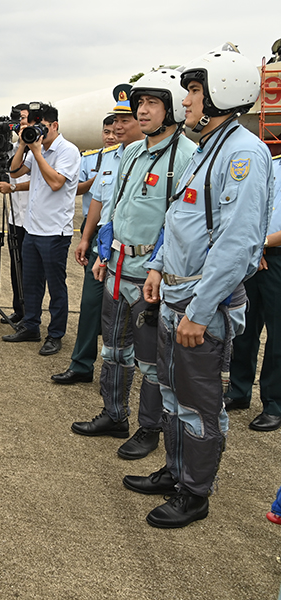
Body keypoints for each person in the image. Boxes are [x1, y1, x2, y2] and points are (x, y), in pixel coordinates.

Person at [124, 48, 273, 528]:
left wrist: (201, 311)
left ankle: (194, 493)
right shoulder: (209, 147)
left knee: (199, 405)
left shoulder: (242, 154)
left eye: (192, 90)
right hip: (174, 295)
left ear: (223, 92)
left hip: (201, 305)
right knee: (172, 394)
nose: (186, 101)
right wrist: (157, 269)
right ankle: (174, 469)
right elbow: (182, 220)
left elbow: (237, 247)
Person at [71, 71, 197, 462]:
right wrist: (104, 255)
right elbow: (115, 207)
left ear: (171, 108)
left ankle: (149, 428)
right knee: (113, 350)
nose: (141, 111)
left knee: (151, 362)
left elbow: (179, 222)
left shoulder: (186, 156)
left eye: (151, 104)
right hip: (117, 267)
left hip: (150, 277)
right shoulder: (129, 152)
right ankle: (113, 414)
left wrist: (158, 268)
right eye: (139, 104)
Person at [51, 112, 128, 385]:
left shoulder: (155, 157)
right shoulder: (105, 157)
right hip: (101, 239)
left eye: (124, 121)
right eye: (114, 123)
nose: (116, 128)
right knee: (91, 303)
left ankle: (122, 371)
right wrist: (85, 238)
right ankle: (82, 364)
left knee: (130, 310)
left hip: (135, 245)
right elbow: (97, 200)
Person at [1, 103, 80, 355]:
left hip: (54, 231)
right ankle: (31, 326)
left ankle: (55, 334)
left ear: (54, 125)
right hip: (32, 228)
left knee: (56, 287)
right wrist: (24, 144)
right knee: (31, 283)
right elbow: (13, 172)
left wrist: (36, 152)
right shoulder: (38, 149)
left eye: (42, 128)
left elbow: (56, 182)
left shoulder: (68, 151)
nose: (39, 132)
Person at [224, 153, 281, 430]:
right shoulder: (271, 164)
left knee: (278, 337)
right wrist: (255, 248)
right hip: (255, 255)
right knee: (244, 329)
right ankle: (238, 389)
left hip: (274, 256)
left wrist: (261, 244)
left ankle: (274, 404)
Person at [0, 103, 31, 323]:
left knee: (32, 271)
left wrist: (13, 187)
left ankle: (32, 315)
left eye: (24, 118)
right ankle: (19, 311)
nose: (21, 123)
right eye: (18, 119)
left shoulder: (38, 148)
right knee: (16, 267)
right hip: (15, 218)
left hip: (34, 219)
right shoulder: (8, 148)